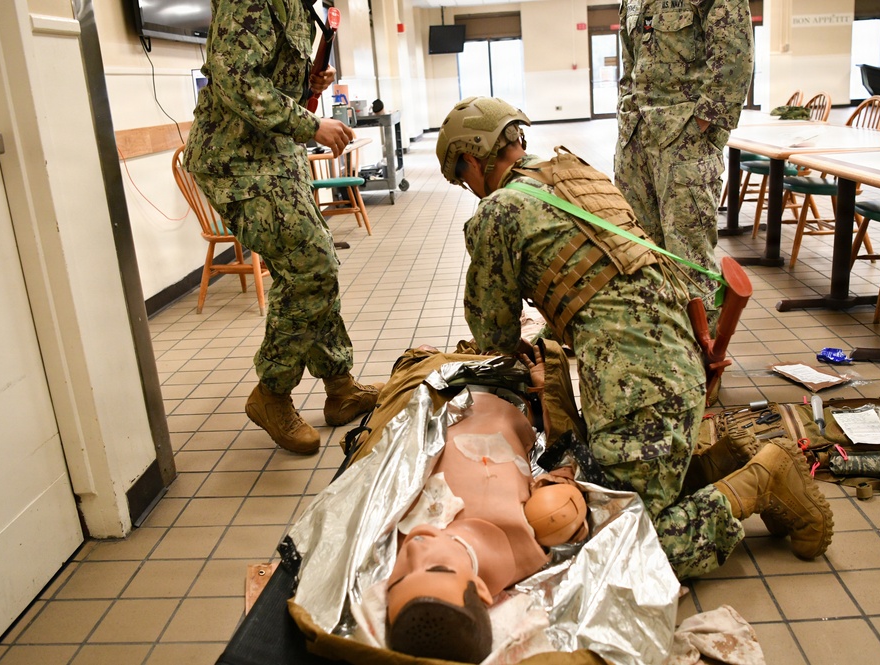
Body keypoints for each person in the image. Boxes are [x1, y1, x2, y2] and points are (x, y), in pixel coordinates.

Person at [434, 96, 832, 580]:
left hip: (639, 384)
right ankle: (719, 463)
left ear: (472, 159)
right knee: (607, 484)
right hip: (677, 352)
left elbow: (492, 330)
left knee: (621, 548)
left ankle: (762, 480)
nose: (468, 188)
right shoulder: (571, 172)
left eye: (462, 177)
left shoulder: (497, 212)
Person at [184, 0, 380, 455]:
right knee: (311, 268)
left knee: (316, 265)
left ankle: (339, 386)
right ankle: (271, 394)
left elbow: (266, 75)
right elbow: (235, 78)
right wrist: (310, 123)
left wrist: (307, 84)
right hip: (236, 161)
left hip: (273, 157)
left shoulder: (298, 5)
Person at [385, 346, 588, 662]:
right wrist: (544, 391)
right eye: (436, 568)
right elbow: (565, 452)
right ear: (482, 591)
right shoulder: (527, 534)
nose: (412, 551)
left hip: (435, 389)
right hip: (510, 396)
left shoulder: (397, 539)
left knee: (414, 360)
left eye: (397, 580)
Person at [614, 0, 754, 328]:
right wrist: (625, 110)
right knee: (639, 251)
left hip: (683, 141)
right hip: (635, 141)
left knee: (689, 259)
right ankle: (660, 348)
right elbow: (629, 63)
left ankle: (704, 359)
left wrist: (700, 126)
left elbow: (735, 58)